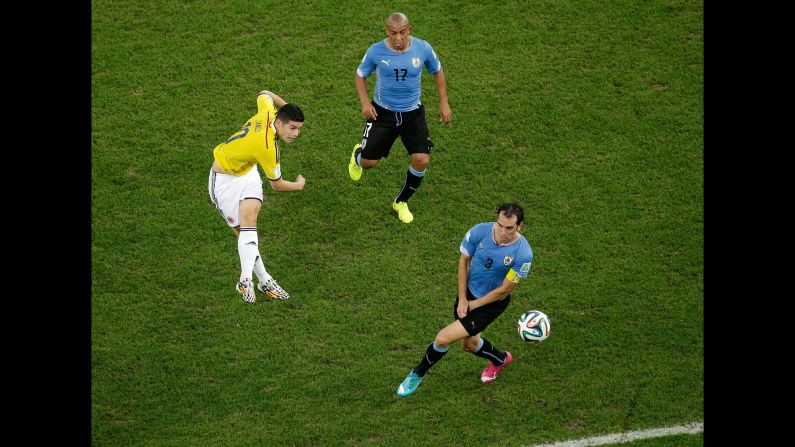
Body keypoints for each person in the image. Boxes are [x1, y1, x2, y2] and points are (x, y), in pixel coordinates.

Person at [396, 203, 534, 397]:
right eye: (500, 225)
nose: (502, 231)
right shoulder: (479, 231)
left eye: (509, 228)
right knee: (468, 345)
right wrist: (463, 298)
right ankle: (501, 359)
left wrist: (474, 305)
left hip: (491, 304)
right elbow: (464, 260)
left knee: (443, 338)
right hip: (468, 294)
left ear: (520, 226)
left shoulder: (523, 254)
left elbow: (506, 288)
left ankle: (416, 374)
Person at [347, 12, 452, 224]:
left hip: (413, 113)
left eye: (402, 33)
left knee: (421, 159)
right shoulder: (376, 51)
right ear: (387, 31)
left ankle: (401, 201)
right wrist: (365, 104)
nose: (398, 38)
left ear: (409, 30)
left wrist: (443, 102)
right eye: (393, 33)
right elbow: (360, 75)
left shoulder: (422, 48)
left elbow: (437, 71)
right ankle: (358, 154)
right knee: (369, 163)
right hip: (382, 113)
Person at [208, 90, 306, 303]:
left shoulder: (268, 113)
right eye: (292, 127)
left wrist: (288, 108)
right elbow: (278, 185)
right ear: (279, 123)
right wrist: (298, 185)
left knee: (249, 222)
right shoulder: (269, 148)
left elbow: (264, 93)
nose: (295, 133)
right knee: (243, 233)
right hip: (223, 181)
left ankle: (245, 280)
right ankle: (263, 279)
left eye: (298, 129)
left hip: (247, 170)